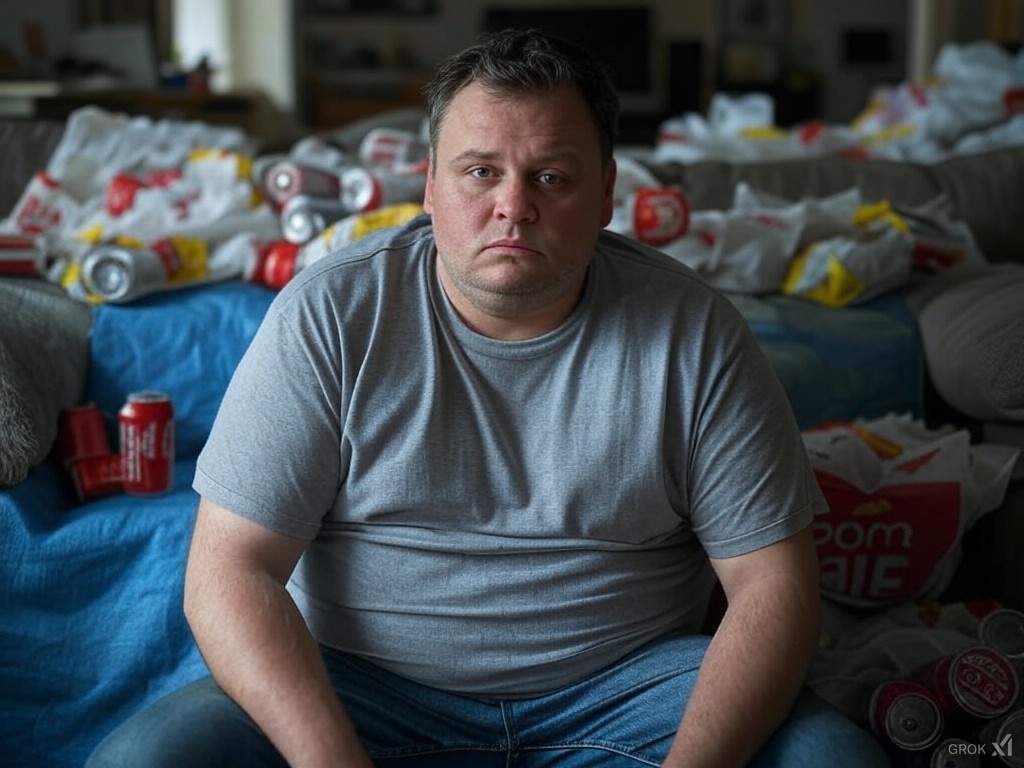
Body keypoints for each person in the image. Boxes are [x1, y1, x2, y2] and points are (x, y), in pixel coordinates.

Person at [88, 28, 892, 768]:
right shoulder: (332, 313)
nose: (514, 204)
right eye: (480, 172)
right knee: (144, 759)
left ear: (607, 191)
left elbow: (774, 587)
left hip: (631, 691)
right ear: (430, 185)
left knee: (835, 761)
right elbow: (229, 571)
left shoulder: (695, 332)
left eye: (552, 175)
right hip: (361, 687)